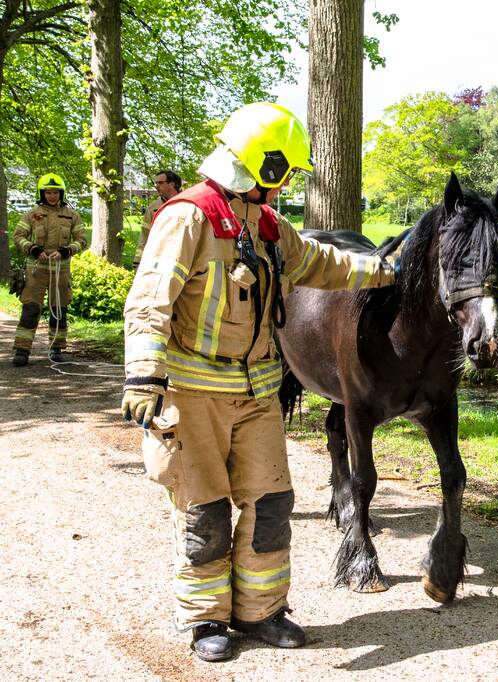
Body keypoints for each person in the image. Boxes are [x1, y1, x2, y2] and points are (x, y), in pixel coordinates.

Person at [121, 102, 397, 663]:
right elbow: (149, 302)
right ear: (262, 166)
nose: (290, 181)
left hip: (255, 394)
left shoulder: (266, 226)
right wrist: (145, 377)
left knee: (272, 501)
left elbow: (326, 264)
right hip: (193, 393)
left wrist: (393, 267)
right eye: (287, 170)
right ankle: (205, 620)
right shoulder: (188, 218)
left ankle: (261, 610)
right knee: (205, 507)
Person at [11, 173, 86, 366]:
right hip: (36, 270)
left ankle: (56, 348)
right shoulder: (32, 214)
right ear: (42, 193)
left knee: (58, 310)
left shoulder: (72, 215)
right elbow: (18, 236)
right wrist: (33, 249)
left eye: (55, 192)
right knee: (30, 308)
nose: (51, 196)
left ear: (61, 193)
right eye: (48, 192)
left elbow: (82, 241)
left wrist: (66, 251)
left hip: (61, 270)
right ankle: (22, 350)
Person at [134, 170, 183, 269]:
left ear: (172, 184)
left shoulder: (188, 203)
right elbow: (145, 235)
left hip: (182, 259)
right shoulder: (152, 208)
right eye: (155, 183)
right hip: (159, 261)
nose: (156, 186)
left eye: (160, 183)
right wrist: (138, 262)